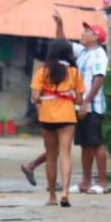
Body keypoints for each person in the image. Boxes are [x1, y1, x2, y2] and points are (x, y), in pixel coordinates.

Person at [21, 13, 108, 193]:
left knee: (96, 143)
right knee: (84, 144)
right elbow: (62, 45)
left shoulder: (99, 54)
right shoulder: (84, 52)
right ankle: (85, 181)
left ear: (96, 37)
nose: (82, 34)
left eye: (87, 31)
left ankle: (102, 182)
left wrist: (86, 102)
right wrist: (60, 24)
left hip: (92, 104)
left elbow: (98, 80)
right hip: (78, 104)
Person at [30, 39, 84, 207]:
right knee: (65, 155)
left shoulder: (42, 72)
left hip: (47, 117)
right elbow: (80, 99)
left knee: (51, 157)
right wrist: (67, 96)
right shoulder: (74, 73)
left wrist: (48, 97)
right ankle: (65, 193)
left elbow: (35, 97)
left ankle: (52, 196)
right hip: (67, 116)